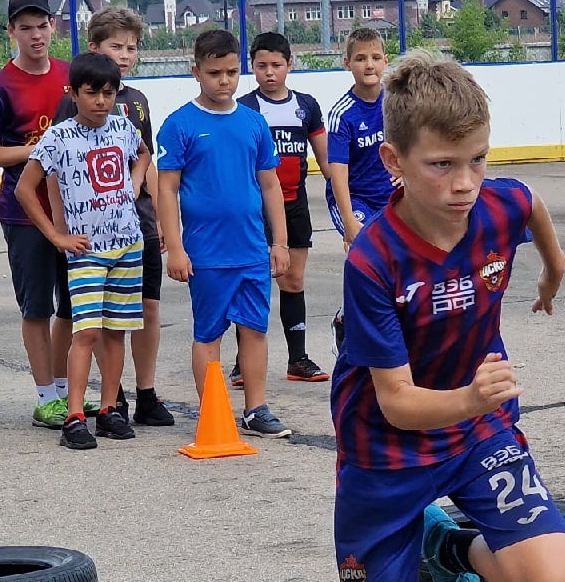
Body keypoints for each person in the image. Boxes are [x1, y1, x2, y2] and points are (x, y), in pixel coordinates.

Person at [330, 50, 565, 582]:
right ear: (394, 160)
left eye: (476, 160)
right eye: (441, 165)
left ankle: (453, 551)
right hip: (388, 446)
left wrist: (553, 272)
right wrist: (473, 394)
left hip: (478, 428)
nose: (464, 183)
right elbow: (399, 403)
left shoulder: (497, 206)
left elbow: (529, 203)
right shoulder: (374, 259)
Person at [155, 29, 291, 439]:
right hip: (207, 255)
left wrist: (279, 241)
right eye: (215, 73)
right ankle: (212, 410)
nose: (224, 81)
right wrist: (175, 247)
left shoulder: (253, 122)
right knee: (209, 333)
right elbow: (166, 188)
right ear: (196, 71)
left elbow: (270, 185)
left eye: (232, 72)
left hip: (251, 250)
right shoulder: (179, 124)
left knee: (254, 330)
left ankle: (256, 408)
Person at [17, 51, 148, 450]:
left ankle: (109, 409)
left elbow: (143, 154)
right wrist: (57, 237)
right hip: (87, 251)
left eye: (108, 93)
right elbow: (26, 188)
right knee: (86, 331)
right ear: (73, 93)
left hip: (128, 244)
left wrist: (136, 183)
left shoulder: (123, 128)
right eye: (92, 93)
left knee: (116, 332)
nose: (101, 102)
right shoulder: (58, 137)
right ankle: (74, 414)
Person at [52, 5, 172, 429]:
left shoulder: (136, 103)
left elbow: (147, 156)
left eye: (132, 48)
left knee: (146, 308)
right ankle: (110, 398)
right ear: (94, 48)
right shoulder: (78, 103)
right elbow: (57, 170)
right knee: (98, 319)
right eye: (116, 47)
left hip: (135, 224)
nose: (125, 55)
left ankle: (146, 391)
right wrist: (62, 230)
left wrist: (154, 212)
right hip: (91, 231)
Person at [0, 0, 76, 430]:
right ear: (11, 31)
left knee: (74, 306)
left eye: (43, 25)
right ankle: (44, 396)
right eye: (26, 27)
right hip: (25, 214)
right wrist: (33, 151)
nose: (36, 35)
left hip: (74, 211)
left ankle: (68, 391)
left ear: (54, 26)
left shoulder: (72, 77)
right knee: (37, 307)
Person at [233, 30, 331, 386]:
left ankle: (298, 359)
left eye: (276, 65)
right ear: (252, 67)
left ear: (290, 65)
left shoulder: (306, 106)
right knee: (251, 281)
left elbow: (326, 157)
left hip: (295, 204)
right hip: (254, 210)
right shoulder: (245, 108)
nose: (269, 73)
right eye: (261, 66)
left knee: (293, 280)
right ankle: (244, 362)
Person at [325, 27, 392, 350]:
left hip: (390, 198)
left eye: (376, 58)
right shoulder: (342, 114)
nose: (369, 65)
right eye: (361, 58)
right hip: (355, 199)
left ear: (385, 61)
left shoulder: (394, 104)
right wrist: (350, 224)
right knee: (368, 257)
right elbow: (337, 172)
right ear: (347, 63)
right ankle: (347, 321)